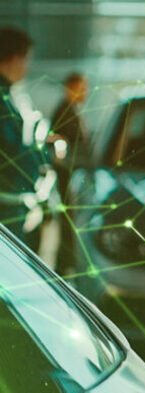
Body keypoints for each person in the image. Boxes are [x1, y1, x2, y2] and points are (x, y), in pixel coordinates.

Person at [0, 26, 50, 250]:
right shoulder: (3, 100)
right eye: (26, 59)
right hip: (6, 203)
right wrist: (40, 154)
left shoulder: (9, 96)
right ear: (13, 59)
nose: (26, 67)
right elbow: (12, 151)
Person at [50, 72, 92, 274]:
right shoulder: (64, 112)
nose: (85, 92)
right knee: (69, 226)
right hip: (68, 177)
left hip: (70, 177)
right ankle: (65, 267)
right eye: (81, 87)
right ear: (71, 87)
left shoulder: (70, 110)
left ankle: (66, 266)